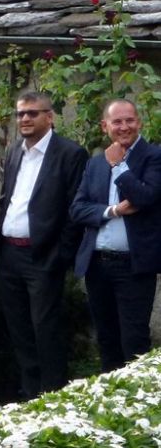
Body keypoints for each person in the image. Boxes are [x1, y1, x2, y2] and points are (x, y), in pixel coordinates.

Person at [0, 92, 88, 400]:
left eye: (32, 113)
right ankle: (29, 395)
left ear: (50, 117)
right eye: (20, 114)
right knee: (19, 329)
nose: (25, 119)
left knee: (45, 329)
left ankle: (52, 395)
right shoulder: (17, 150)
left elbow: (74, 210)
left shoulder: (70, 154)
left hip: (43, 256)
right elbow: (10, 197)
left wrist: (61, 255)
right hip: (10, 254)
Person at [70, 99, 161, 373]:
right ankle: (110, 405)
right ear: (105, 125)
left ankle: (140, 406)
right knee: (106, 339)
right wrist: (112, 211)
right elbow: (77, 209)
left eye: (129, 120)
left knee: (134, 340)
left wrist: (120, 167)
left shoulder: (154, 157)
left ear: (139, 122)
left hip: (133, 265)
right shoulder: (96, 163)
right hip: (97, 264)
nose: (124, 127)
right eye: (117, 121)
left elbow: (146, 196)